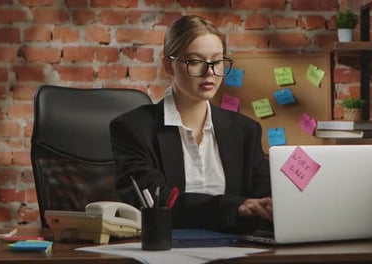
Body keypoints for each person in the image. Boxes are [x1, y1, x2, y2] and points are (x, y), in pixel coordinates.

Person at [110, 15, 272, 233]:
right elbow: (156, 201)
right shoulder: (134, 129)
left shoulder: (245, 131)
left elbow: (264, 198)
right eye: (195, 61)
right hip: (165, 249)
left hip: (234, 249)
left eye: (217, 61)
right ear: (168, 64)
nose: (210, 72)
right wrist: (235, 206)